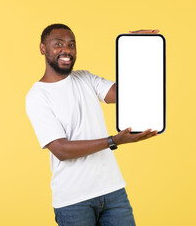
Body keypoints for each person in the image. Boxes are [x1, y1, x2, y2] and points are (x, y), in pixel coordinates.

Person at [25, 24, 159, 226]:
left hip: (113, 191)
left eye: (72, 45)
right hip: (73, 201)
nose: (67, 50)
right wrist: (113, 141)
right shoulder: (37, 96)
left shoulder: (85, 78)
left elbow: (127, 94)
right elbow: (61, 149)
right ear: (43, 48)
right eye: (58, 44)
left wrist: (136, 48)